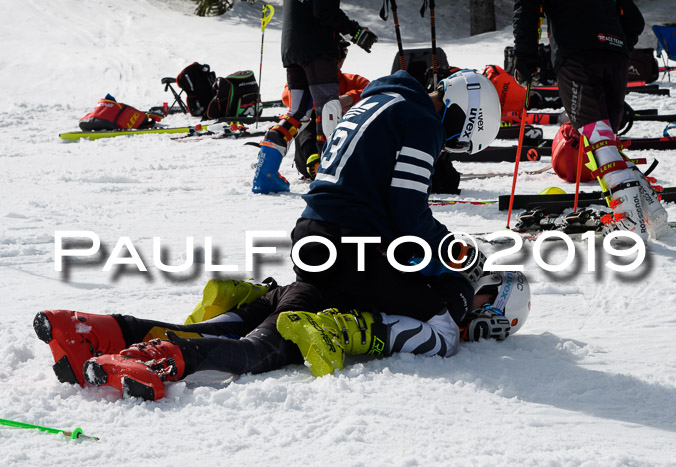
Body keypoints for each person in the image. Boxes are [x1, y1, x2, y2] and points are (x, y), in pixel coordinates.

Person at [33, 273, 530, 400]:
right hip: (310, 307)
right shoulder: (442, 314)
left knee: (199, 329)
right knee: (252, 354)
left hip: (287, 288)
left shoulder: (429, 274)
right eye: (497, 313)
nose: (491, 325)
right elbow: (386, 330)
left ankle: (84, 330)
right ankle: (154, 362)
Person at [284, 69, 503, 355]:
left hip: (310, 234)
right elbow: (407, 213)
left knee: (319, 299)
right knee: (446, 333)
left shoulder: (377, 100)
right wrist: (449, 251)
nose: (448, 147)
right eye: (458, 141)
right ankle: (341, 332)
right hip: (347, 246)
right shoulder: (423, 121)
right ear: (465, 113)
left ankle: (257, 302)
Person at [512, 0, 668, 241]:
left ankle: (629, 219)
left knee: (599, 141)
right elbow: (634, 18)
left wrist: (525, 59)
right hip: (615, 54)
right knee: (606, 143)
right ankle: (652, 210)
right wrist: (621, 45)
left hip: (577, 54)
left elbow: (527, 11)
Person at [251, 0, 377, 194]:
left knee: (298, 112)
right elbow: (324, 10)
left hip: (292, 47)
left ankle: (266, 173)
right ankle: (332, 178)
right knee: (328, 110)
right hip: (317, 48)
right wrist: (356, 32)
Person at [281, 37, 371, 180]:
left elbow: (372, 91)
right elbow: (287, 97)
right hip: (308, 151)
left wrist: (349, 98)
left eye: (336, 61)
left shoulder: (352, 81)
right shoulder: (303, 81)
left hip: (345, 142)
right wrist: (321, 101)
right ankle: (315, 161)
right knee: (308, 118)